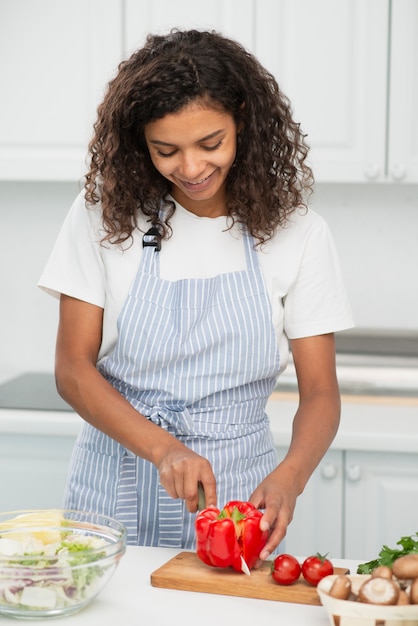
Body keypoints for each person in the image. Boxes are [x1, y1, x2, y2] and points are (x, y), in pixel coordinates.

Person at [38, 28, 353, 561]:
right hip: (110, 487)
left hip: (237, 501)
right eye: (166, 150)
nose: (190, 168)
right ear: (141, 143)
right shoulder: (103, 216)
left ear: (244, 122)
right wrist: (165, 450)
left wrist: (290, 479)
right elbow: (72, 370)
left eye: (210, 144)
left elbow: (320, 392)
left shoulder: (299, 234)